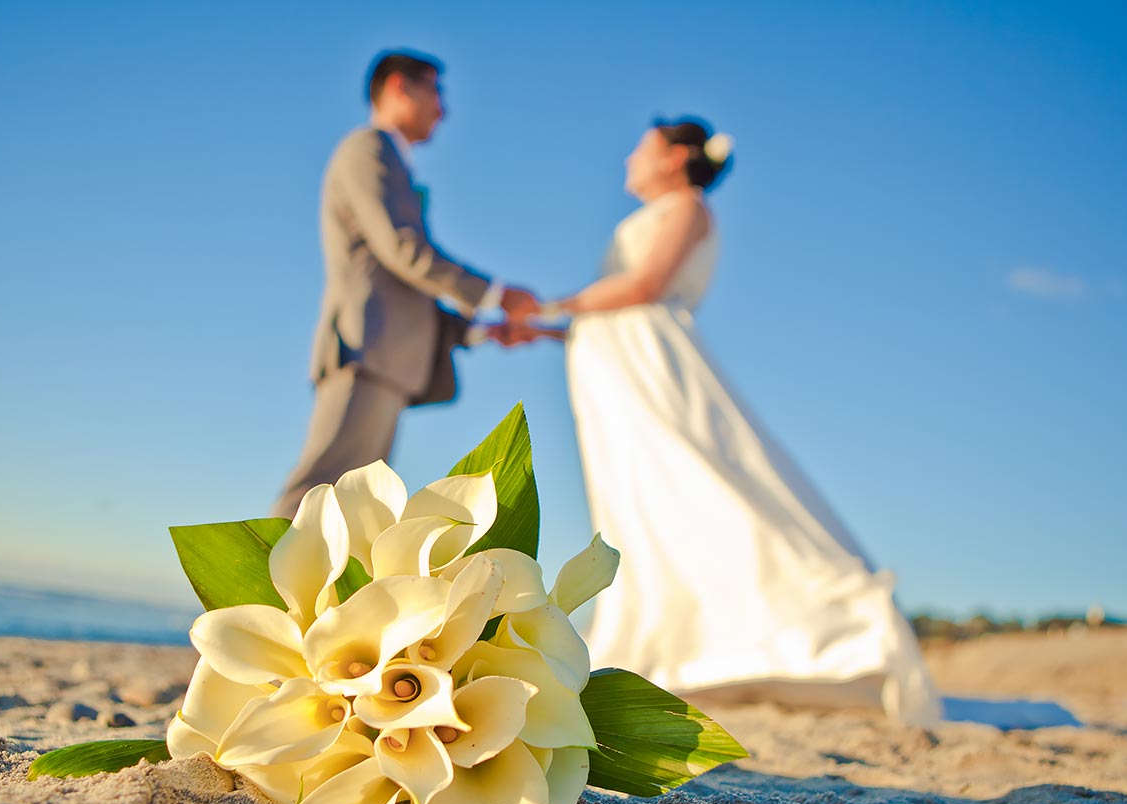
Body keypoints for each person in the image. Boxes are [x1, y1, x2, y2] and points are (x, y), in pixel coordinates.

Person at [506, 118, 941, 724]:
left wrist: (546, 306)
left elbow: (646, 284)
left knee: (691, 474)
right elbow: (613, 302)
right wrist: (543, 329)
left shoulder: (687, 206)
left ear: (677, 156)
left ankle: (812, 635)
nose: (629, 157)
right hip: (609, 361)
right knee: (638, 494)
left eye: (643, 147)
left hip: (649, 356)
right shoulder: (656, 210)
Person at [273, 50, 539, 519]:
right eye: (435, 90)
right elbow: (403, 249)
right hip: (364, 352)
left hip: (387, 363)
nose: (443, 109)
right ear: (399, 87)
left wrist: (480, 329)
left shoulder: (392, 160)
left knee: (352, 513)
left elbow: (402, 279)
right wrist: (497, 294)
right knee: (316, 498)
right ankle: (247, 594)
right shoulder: (367, 149)